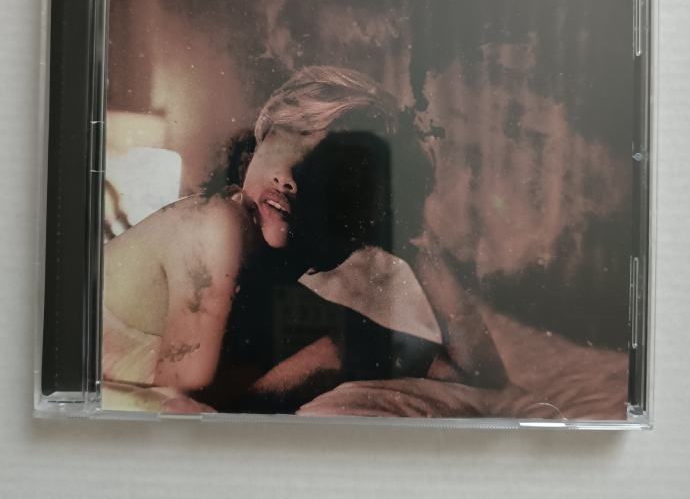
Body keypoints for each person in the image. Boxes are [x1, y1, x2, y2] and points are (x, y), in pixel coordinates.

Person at [103, 66, 507, 413]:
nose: (291, 177)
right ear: (255, 149)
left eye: (329, 170)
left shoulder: (283, 294)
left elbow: (478, 378)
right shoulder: (213, 223)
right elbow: (182, 410)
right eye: (289, 142)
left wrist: (410, 234)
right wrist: (325, 361)